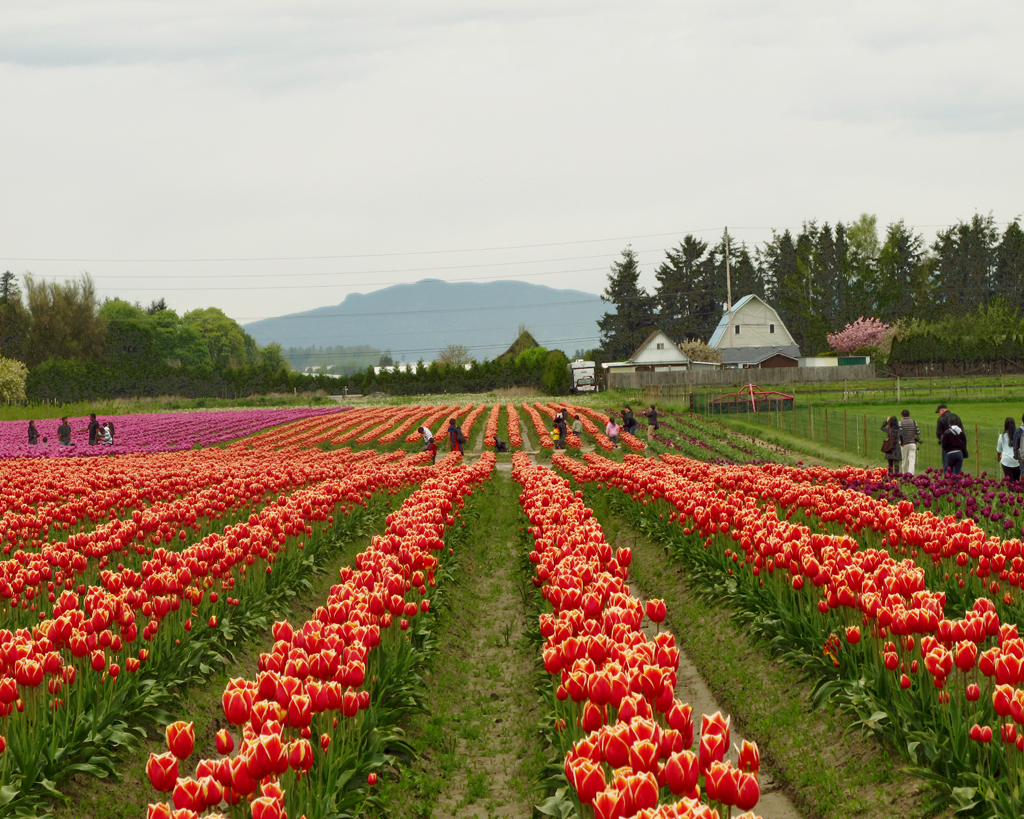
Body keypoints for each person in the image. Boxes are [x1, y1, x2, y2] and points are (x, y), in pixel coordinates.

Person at [935, 404, 963, 471]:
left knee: (947, 465)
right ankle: (955, 479)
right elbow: (962, 431)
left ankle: (948, 480)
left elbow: (939, 433)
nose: (939, 414)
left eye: (939, 412)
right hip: (957, 445)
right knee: (956, 468)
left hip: (947, 446)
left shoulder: (941, 419)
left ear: (942, 410)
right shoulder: (956, 417)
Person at [998, 417, 1021, 481]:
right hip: (1016, 461)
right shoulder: (1018, 436)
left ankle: (1010, 490)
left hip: (1006, 461)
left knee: (1010, 482)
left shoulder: (1002, 436)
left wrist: (998, 457)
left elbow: (999, 450)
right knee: (1017, 482)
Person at [898, 410, 920, 476]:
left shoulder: (900, 422)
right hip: (912, 443)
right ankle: (911, 474)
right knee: (912, 460)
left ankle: (904, 474)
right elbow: (918, 432)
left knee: (904, 460)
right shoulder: (914, 422)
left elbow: (899, 433)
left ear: (902, 415)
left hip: (904, 443)